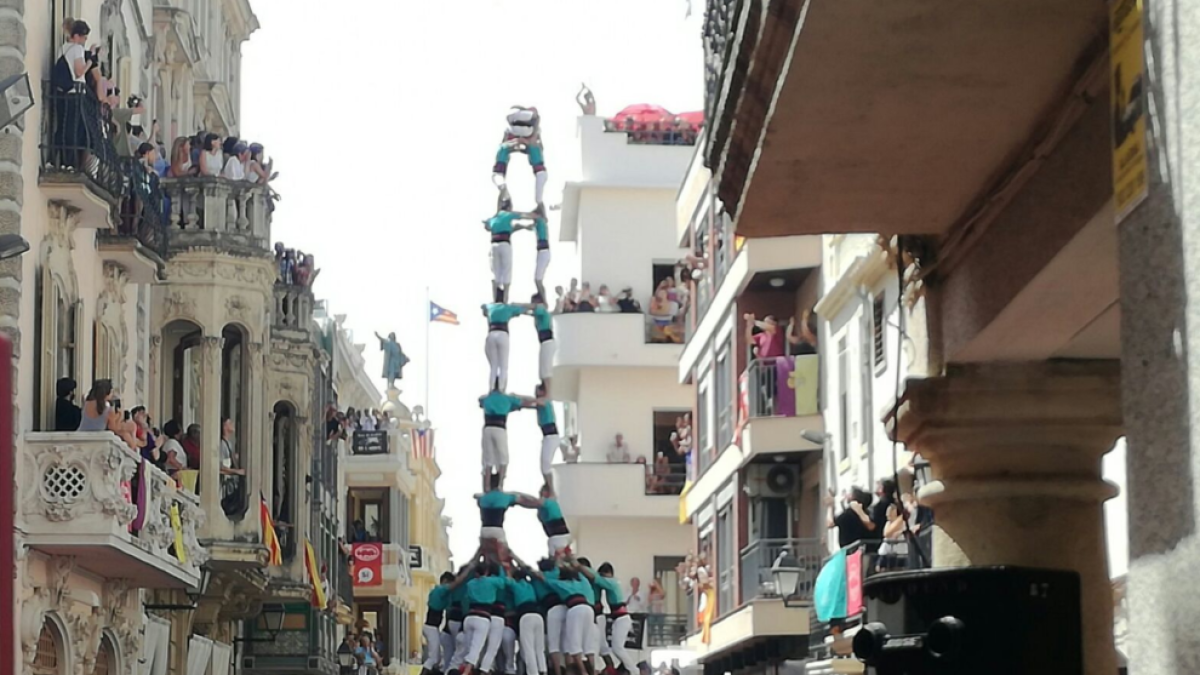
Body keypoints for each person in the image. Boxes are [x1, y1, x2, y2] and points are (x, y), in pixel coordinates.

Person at [460, 560, 511, 675]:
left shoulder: (470, 583)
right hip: (484, 617)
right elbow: (505, 582)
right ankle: (473, 671)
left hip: (469, 617)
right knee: (481, 648)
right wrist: (503, 567)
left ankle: (469, 670)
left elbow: (466, 598)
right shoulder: (493, 582)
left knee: (470, 647)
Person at [484, 202, 540, 303]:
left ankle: (494, 298)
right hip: (504, 245)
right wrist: (535, 216)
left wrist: (524, 227)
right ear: (508, 208)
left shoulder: (494, 218)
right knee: (507, 270)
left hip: (493, 245)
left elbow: (488, 227)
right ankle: (505, 298)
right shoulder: (508, 214)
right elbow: (523, 215)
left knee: (496, 273)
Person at [475, 473, 538, 559]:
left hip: (484, 529)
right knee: (504, 555)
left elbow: (478, 501)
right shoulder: (505, 496)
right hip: (497, 529)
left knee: (486, 554)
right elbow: (523, 501)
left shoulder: (482, 498)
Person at [593, 563, 637, 674]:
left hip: (622, 618)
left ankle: (634, 670)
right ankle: (630, 669)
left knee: (617, 648)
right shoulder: (612, 583)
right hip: (619, 619)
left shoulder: (612, 582)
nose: (603, 578)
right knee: (616, 647)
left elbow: (596, 579)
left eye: (604, 575)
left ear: (610, 574)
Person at [421, 571, 459, 675]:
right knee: (434, 658)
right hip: (431, 627)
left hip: (431, 627)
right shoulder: (439, 590)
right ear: (445, 581)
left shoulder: (437, 592)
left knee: (435, 658)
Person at [510, 566, 547, 675]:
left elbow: (507, 580)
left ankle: (533, 673)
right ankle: (543, 670)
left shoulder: (515, 585)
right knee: (539, 648)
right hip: (538, 616)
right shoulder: (531, 586)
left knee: (528, 648)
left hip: (525, 616)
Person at [534, 384, 560, 488]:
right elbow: (530, 404)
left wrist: (517, 397)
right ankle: (548, 485)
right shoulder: (540, 404)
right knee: (543, 466)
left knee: (546, 464)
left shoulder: (545, 401)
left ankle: (551, 487)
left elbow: (534, 402)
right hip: (547, 436)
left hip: (551, 436)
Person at [537, 483, 572, 559]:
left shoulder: (549, 502)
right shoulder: (545, 505)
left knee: (555, 557)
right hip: (556, 534)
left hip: (558, 534)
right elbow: (540, 517)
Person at [219, 418, 246, 508]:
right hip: (224, 483)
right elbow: (220, 467)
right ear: (224, 426)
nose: (233, 424)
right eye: (230, 422)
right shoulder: (221, 444)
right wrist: (237, 471)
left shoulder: (228, 443)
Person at [533, 297, 556, 392]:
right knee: (543, 370)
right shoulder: (540, 315)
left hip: (547, 341)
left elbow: (535, 309)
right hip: (545, 342)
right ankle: (546, 390)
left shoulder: (542, 311)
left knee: (546, 369)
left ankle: (549, 391)